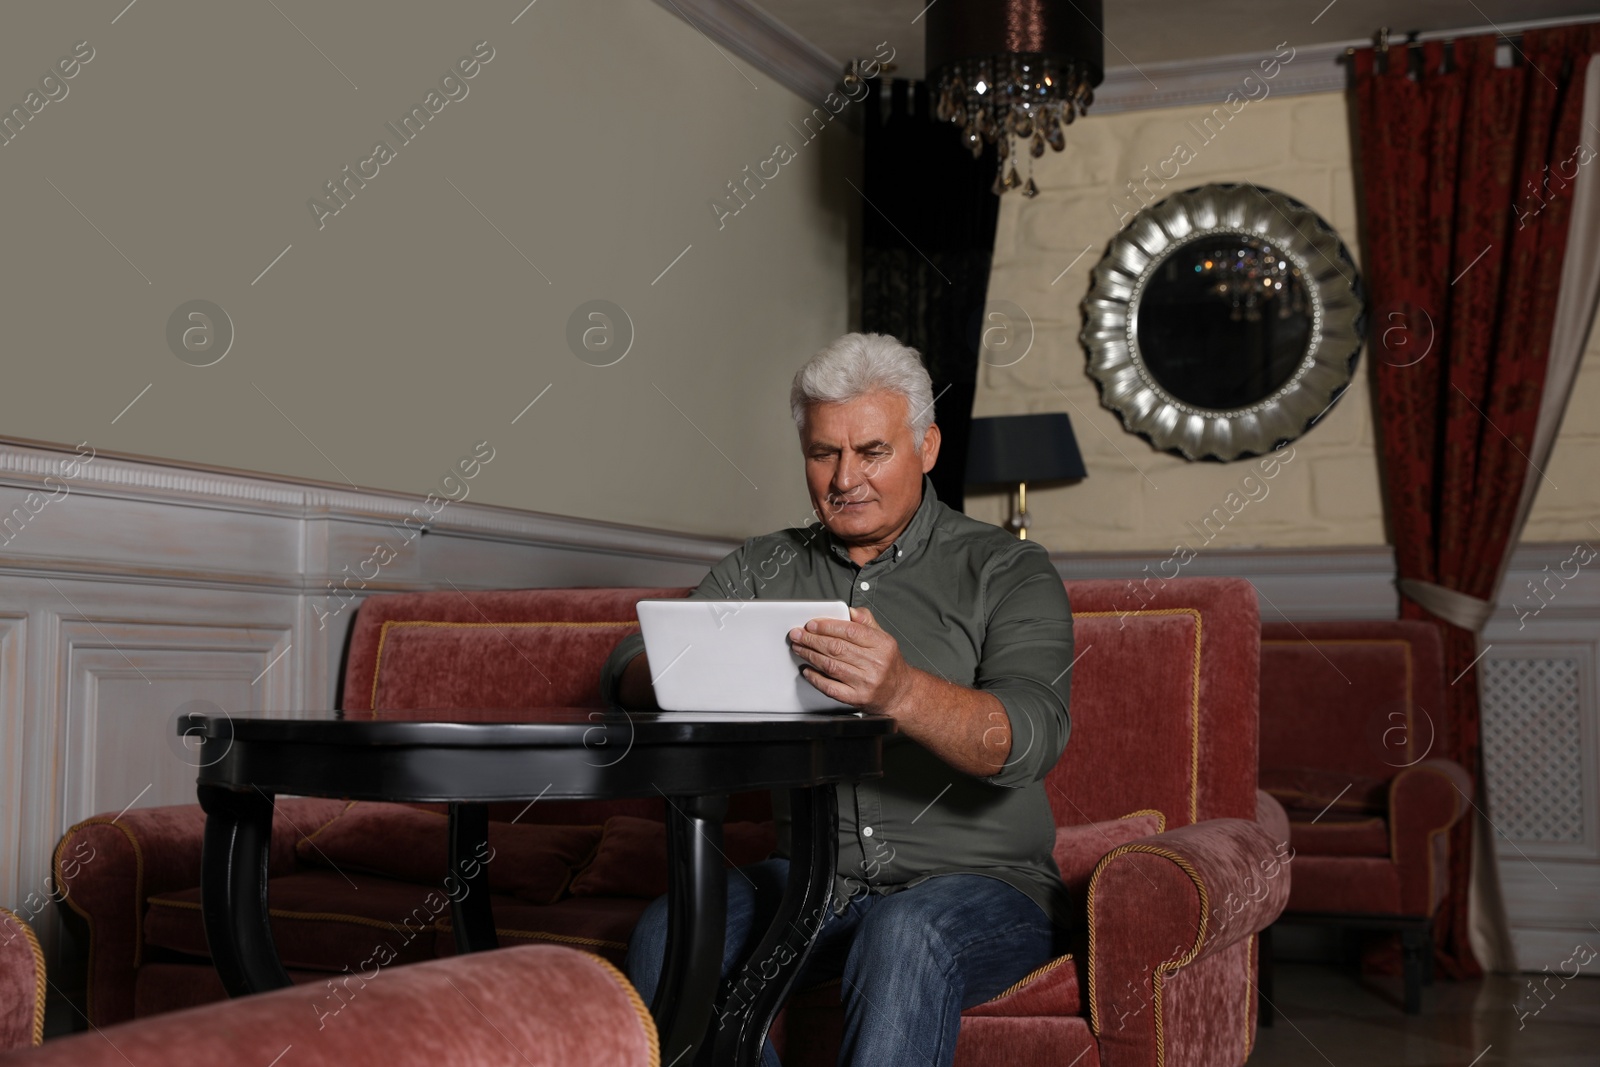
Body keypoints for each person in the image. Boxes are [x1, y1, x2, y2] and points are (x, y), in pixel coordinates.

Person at [599, 332, 1074, 1067]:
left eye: (872, 451)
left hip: (986, 885)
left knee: (906, 932)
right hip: (809, 878)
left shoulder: (1006, 567)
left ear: (928, 446)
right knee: (667, 934)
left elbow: (1031, 736)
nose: (845, 476)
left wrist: (903, 691)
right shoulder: (765, 564)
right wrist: (689, 668)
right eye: (824, 453)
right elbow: (630, 662)